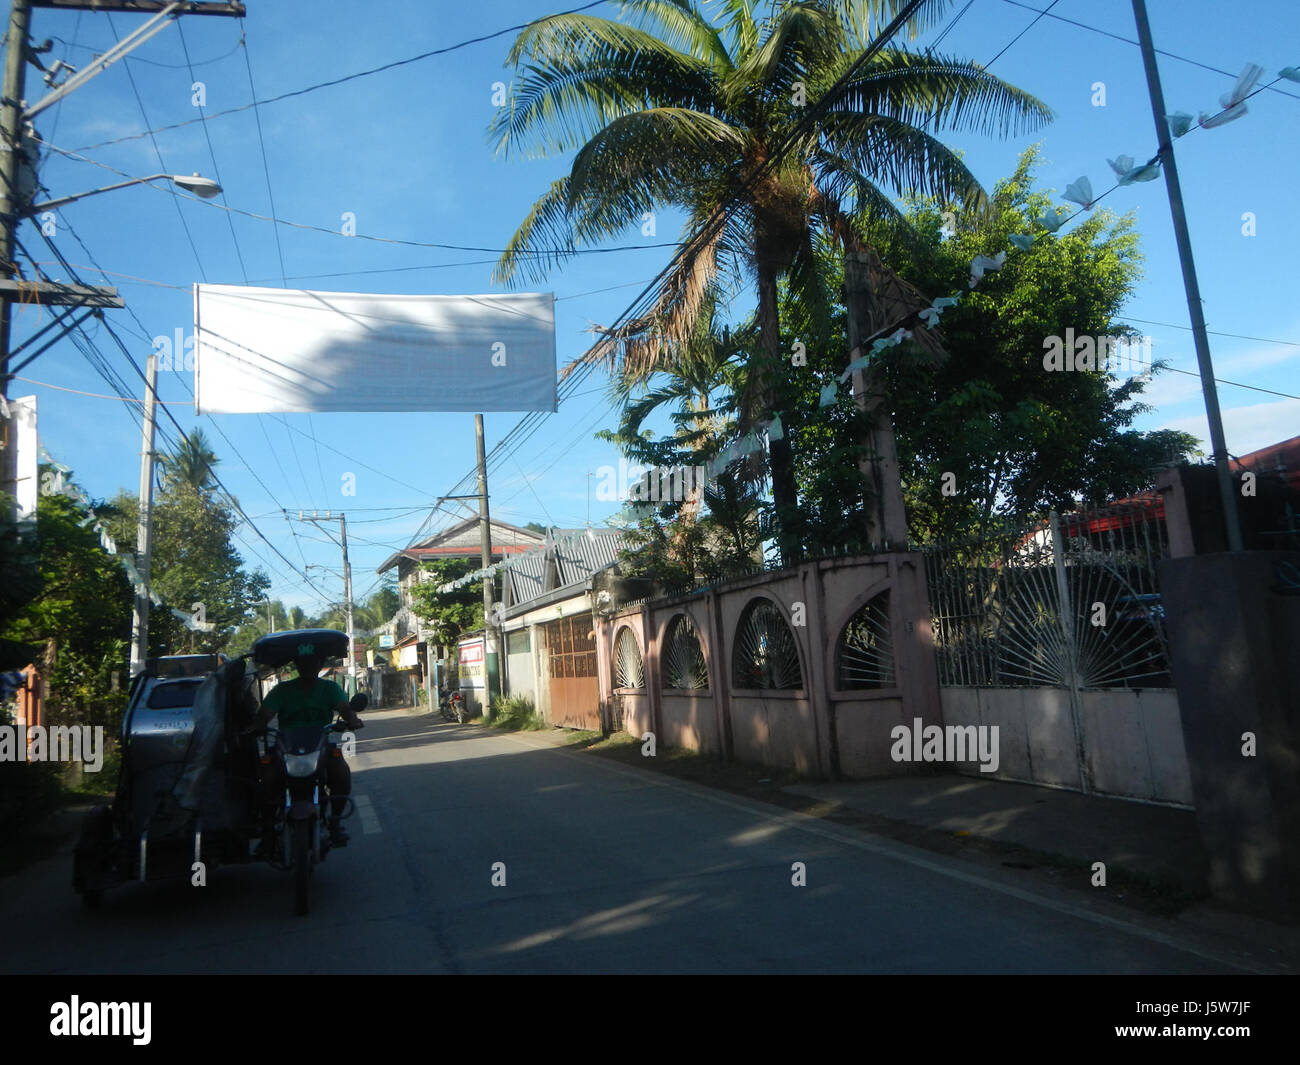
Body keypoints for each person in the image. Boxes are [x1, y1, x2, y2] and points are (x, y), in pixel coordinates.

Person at [244, 646, 363, 847]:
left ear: (319, 665)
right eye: (303, 663)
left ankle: (334, 823)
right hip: (287, 747)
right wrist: (254, 728)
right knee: (266, 778)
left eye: (313, 663)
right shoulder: (282, 690)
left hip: (320, 745)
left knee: (341, 773)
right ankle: (268, 829)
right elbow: (265, 716)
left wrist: (352, 719)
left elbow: (345, 709)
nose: (308, 667)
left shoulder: (330, 689)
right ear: (297, 666)